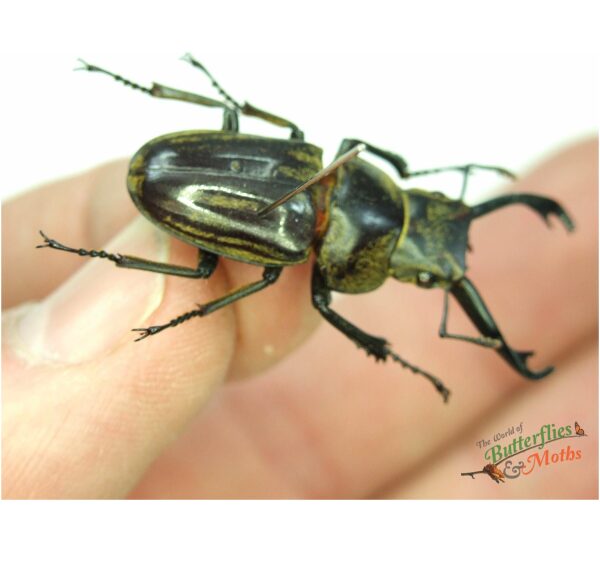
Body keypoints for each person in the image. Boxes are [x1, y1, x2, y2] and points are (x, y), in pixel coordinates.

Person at [2, 139, 597, 499]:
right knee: (210, 278)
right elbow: (320, 301)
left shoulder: (317, 161)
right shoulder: (292, 242)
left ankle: (115, 261)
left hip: (175, 164)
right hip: (173, 183)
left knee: (217, 274)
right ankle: (112, 262)